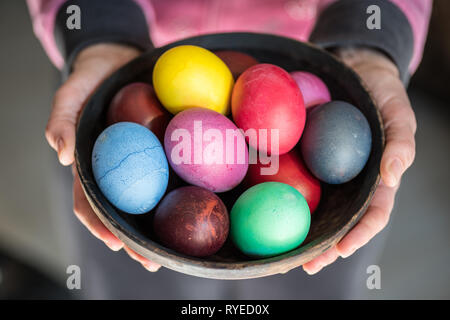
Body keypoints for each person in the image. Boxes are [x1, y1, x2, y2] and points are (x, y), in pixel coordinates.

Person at [27, 0, 431, 298]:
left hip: (310, 51)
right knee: (134, 284)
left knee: (308, 285)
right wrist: (99, 27)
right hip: (129, 59)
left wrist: (369, 34)